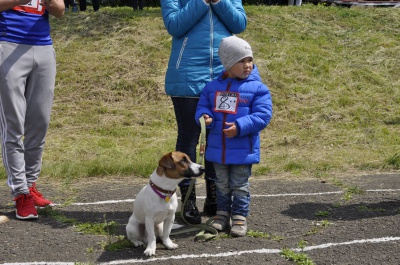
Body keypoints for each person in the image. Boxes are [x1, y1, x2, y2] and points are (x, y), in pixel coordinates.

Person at [160, 0, 247, 224]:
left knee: (216, 137)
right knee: (189, 138)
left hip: (222, 77)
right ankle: (188, 199)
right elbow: (174, 25)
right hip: (187, 77)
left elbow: (239, 23)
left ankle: (214, 197)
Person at [195, 36, 273, 237]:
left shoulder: (258, 89)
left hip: (242, 151)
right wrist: (205, 116)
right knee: (221, 183)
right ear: (228, 63)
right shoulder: (211, 87)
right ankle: (221, 214)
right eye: (242, 61)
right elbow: (203, 107)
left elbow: (263, 116)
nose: (248, 65)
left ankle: (239, 216)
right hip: (217, 150)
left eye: (250, 60)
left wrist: (239, 126)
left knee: (239, 184)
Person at [0, 0, 65, 220]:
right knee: (13, 124)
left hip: (43, 46)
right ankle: (20, 193)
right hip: (8, 44)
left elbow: (60, 10)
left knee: (39, 122)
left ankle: (30, 184)